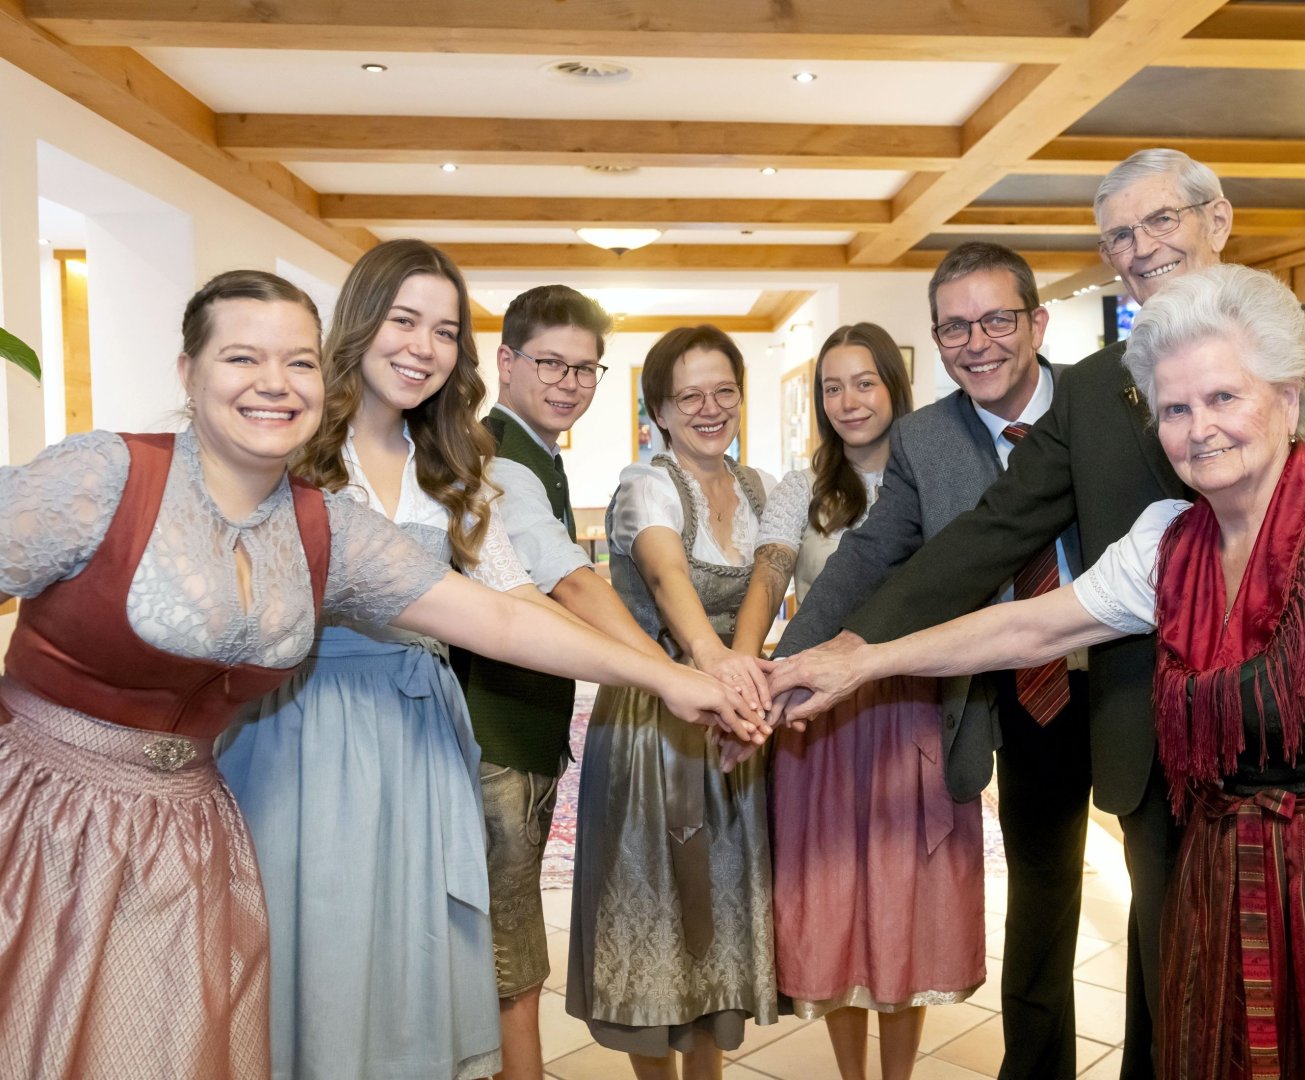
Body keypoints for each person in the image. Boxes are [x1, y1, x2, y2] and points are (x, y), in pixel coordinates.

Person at [0, 270, 759, 1080]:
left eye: (296, 363)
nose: (273, 384)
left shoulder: (327, 526)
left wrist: (682, 681)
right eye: (242, 359)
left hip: (185, 819)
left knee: (169, 1034)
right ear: (189, 373)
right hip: (44, 809)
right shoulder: (104, 474)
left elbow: (501, 613)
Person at [794, 148, 1305, 1079]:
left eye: (1162, 220)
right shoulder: (1117, 443)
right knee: (1182, 987)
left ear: (1219, 219)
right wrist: (840, 655)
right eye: (1118, 234)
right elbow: (997, 560)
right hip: (1160, 740)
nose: (1141, 247)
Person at [216, 241, 564, 1078]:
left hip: (419, 738)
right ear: (359, 323)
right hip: (296, 731)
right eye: (404, 320)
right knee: (312, 948)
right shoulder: (292, 447)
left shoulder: (454, 467)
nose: (422, 347)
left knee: (410, 953)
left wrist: (670, 676)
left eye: (445, 332)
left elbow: (513, 601)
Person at [762, 243, 1092, 1079]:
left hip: (1122, 682)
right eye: (954, 327)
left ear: (1037, 322)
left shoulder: (1099, 407)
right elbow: (866, 563)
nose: (976, 342)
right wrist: (787, 669)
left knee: (1162, 909)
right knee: (1044, 905)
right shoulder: (926, 440)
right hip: (1012, 695)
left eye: (995, 320)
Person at [730, 322, 984, 1080]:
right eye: (831, 387)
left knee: (910, 900)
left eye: (864, 382)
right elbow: (773, 574)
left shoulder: (940, 477)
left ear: (895, 388)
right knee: (831, 902)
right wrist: (745, 668)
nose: (848, 401)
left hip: (913, 705)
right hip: (821, 717)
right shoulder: (801, 489)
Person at [457, 284, 677, 1080]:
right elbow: (570, 582)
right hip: (495, 739)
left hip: (524, 733)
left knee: (506, 933)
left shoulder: (537, 456)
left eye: (586, 369)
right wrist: (671, 675)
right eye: (551, 362)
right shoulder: (499, 459)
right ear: (506, 363)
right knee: (511, 945)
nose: (569, 383)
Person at [566, 325, 778, 1080]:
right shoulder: (646, 484)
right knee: (658, 911)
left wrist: (741, 673)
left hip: (731, 712)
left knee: (716, 918)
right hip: (655, 720)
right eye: (689, 395)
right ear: (658, 407)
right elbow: (665, 576)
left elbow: (767, 583)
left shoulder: (757, 487)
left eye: (724, 390)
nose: (710, 407)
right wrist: (712, 663)